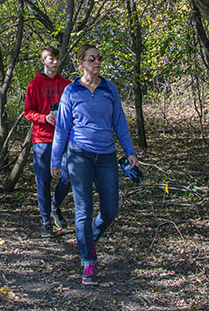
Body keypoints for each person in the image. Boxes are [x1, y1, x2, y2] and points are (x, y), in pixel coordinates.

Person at [51, 44, 139, 287]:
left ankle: (90, 236)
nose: (97, 62)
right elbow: (62, 128)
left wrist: (129, 152)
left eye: (100, 58)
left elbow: (119, 122)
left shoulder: (109, 89)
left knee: (111, 210)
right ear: (81, 63)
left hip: (107, 156)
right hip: (80, 155)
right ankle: (88, 262)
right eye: (92, 59)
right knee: (84, 209)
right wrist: (56, 160)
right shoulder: (71, 91)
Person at [24, 46, 72, 236]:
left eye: (57, 58)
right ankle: (46, 221)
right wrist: (45, 118)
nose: (54, 61)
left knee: (68, 175)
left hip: (65, 138)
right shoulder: (34, 85)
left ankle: (55, 206)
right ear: (43, 61)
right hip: (42, 138)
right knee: (43, 181)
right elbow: (28, 112)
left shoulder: (67, 84)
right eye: (50, 58)